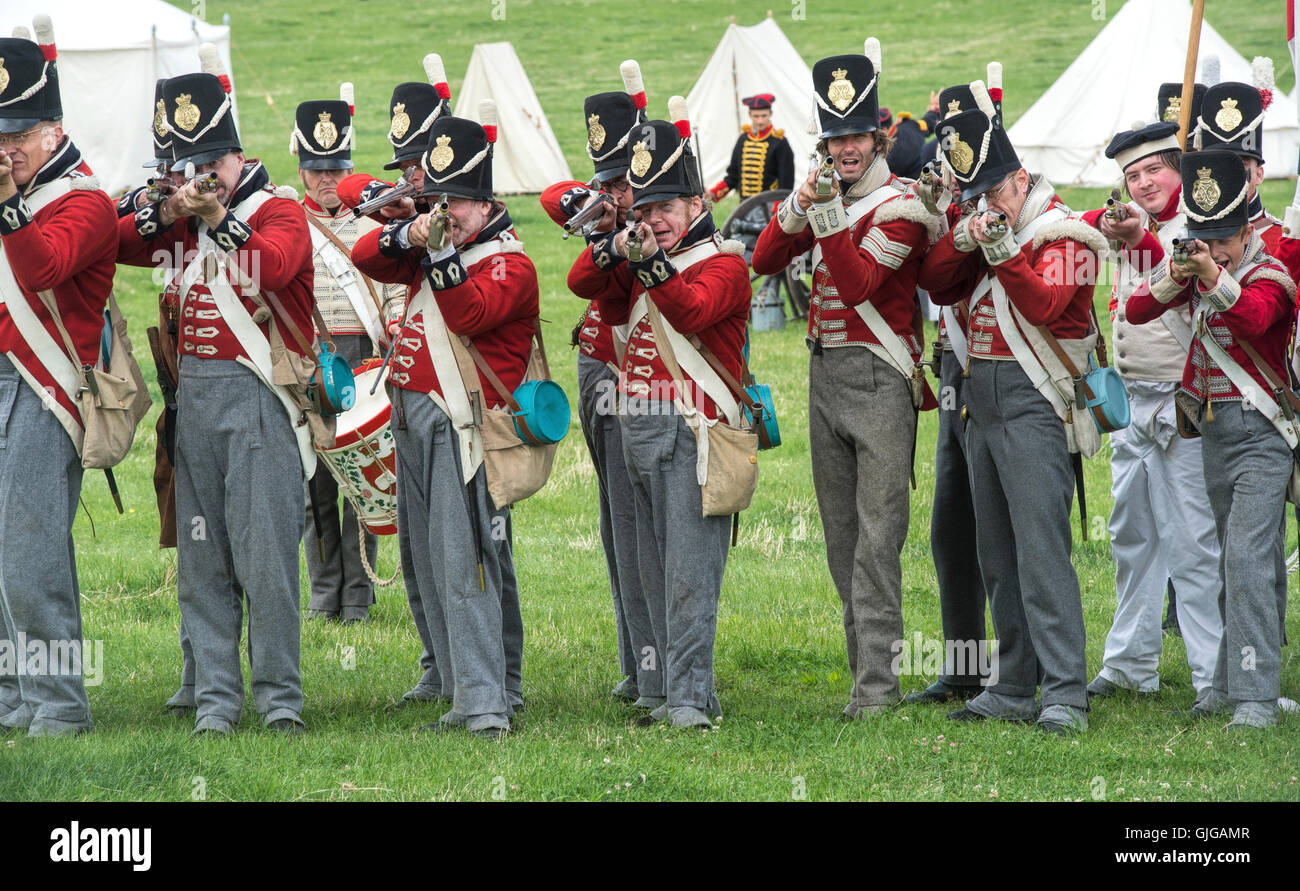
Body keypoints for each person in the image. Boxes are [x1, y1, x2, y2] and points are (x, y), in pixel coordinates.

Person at [117, 67, 315, 736]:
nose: (201, 174)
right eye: (188, 165)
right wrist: (170, 209)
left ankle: (280, 697)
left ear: (237, 154)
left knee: (265, 558)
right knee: (202, 561)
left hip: (257, 396)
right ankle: (215, 700)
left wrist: (217, 217)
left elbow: (277, 265)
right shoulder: (184, 218)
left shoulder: (277, 208)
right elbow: (113, 243)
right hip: (194, 399)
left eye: (210, 162)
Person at [751, 40, 941, 719]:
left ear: (878, 135)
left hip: (881, 378)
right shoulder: (828, 187)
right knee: (841, 540)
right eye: (834, 137)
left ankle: (879, 688)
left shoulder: (904, 205)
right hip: (825, 374)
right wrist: (802, 203)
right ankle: (864, 671)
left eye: (856, 135)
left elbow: (860, 284)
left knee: (878, 539)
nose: (846, 148)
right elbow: (764, 256)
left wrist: (826, 214)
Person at [920, 79, 1108, 735]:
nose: (990, 203)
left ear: (1022, 179)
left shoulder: (1068, 235)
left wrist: (999, 247)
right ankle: (1013, 680)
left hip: (1035, 402)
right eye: (979, 195)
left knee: (1041, 550)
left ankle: (1064, 690)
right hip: (980, 399)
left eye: (996, 191)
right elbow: (937, 281)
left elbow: (1048, 308)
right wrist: (969, 235)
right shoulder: (985, 220)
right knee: (995, 549)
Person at [352, 106, 534, 740]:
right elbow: (364, 252)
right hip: (414, 417)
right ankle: (469, 689)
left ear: (484, 206)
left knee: (468, 564)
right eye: (439, 197)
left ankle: (486, 704)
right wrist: (409, 233)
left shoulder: (509, 262)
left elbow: (469, 313)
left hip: (464, 429)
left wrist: (441, 250)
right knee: (430, 561)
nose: (447, 210)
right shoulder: (435, 242)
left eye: (458, 200)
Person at [568, 100, 751, 729]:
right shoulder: (645, 259)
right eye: (644, 210)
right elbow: (580, 283)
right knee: (649, 566)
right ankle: (661, 688)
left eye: (665, 209)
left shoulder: (724, 262)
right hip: (640, 426)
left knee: (688, 574)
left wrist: (646, 261)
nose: (656, 222)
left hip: (693, 430)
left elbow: (694, 311)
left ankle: (692, 700)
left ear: (695, 206)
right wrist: (615, 245)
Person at [1127, 150, 1295, 730]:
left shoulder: (1271, 273)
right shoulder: (1196, 266)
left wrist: (1211, 274)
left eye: (1224, 238)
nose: (1213, 247)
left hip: (1263, 431)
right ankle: (1231, 680)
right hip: (1216, 432)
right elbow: (1137, 308)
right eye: (1205, 236)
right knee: (1238, 560)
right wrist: (1179, 271)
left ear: (1246, 231)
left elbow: (1253, 318)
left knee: (1246, 560)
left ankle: (1253, 696)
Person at [1079, 113, 1222, 707]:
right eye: (1131, 174)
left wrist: (1138, 235)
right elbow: (1084, 232)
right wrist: (1121, 228)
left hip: (1184, 404)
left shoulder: (1202, 227)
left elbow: (1162, 270)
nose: (1141, 183)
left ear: (1180, 168)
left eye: (1153, 169)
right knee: (1131, 535)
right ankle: (1130, 662)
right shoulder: (1131, 225)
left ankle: (1217, 677)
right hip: (1132, 399)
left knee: (1191, 543)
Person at [0, 19, 115, 738]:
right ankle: (14, 692)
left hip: (44, 388)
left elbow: (40, 267)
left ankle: (61, 701)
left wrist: (8, 202)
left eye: (18, 134)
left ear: (53, 131)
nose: (7, 148)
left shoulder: (84, 202)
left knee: (32, 548)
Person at [539, 70, 665, 709]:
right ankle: (634, 661)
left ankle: (656, 673)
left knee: (641, 525)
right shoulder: (601, 209)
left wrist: (624, 225)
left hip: (638, 374)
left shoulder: (659, 217)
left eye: (624, 180)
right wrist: (599, 208)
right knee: (617, 527)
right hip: (598, 372)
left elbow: (614, 304)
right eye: (606, 180)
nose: (614, 191)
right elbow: (550, 196)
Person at [334, 55, 452, 703]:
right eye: (404, 165)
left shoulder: (474, 216)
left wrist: (435, 209)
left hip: (457, 404)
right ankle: (437, 664)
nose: (407, 175)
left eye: (418, 163)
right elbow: (354, 202)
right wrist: (408, 212)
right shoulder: (413, 214)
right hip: (408, 397)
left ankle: (498, 680)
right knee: (418, 547)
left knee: (472, 554)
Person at [292, 86, 402, 624]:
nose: (326, 180)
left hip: (364, 352)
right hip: (313, 356)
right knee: (315, 475)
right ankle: (322, 589)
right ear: (300, 163)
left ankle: (357, 592)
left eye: (335, 167)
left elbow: (397, 286)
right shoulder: (287, 219)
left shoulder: (374, 221)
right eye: (315, 168)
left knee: (362, 473)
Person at [907, 82, 991, 705]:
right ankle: (964, 667)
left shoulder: (1012, 201)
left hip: (1005, 376)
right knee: (952, 529)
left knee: (1009, 531)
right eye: (946, 132)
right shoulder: (945, 203)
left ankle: (1029, 667)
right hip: (953, 373)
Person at [707, 94, 794, 202]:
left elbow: (786, 181)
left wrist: (779, 206)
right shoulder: (743, 139)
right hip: (745, 205)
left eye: (764, 116)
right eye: (756, 116)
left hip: (769, 205)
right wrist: (713, 193)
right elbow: (733, 175)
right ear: (750, 115)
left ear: (770, 114)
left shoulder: (779, 142)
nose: (760, 121)